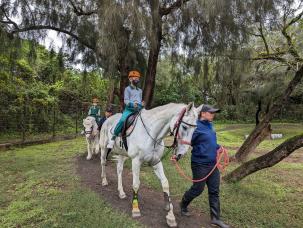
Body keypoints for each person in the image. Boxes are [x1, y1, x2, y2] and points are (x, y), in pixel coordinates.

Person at [179, 104, 230, 228]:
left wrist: (219, 147)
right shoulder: (195, 126)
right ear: (203, 113)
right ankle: (183, 204)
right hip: (199, 163)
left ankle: (215, 219)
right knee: (198, 189)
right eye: (211, 112)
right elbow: (186, 142)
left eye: (214, 112)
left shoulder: (210, 126)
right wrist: (178, 154)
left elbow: (210, 141)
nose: (213, 114)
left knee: (214, 191)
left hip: (213, 164)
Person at [107, 70, 144, 149]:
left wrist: (141, 104)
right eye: (135, 78)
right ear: (130, 79)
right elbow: (126, 100)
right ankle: (113, 138)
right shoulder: (127, 89)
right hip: (129, 110)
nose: (137, 79)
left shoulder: (140, 90)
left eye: (138, 78)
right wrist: (132, 104)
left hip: (138, 110)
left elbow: (140, 100)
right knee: (122, 120)